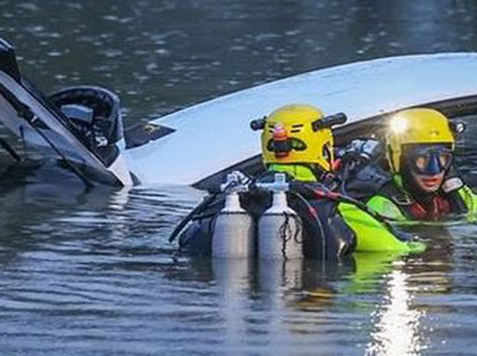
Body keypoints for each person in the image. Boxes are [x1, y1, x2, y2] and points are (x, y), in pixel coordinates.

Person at [174, 103, 420, 260]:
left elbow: (186, 244)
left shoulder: (232, 198)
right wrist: (419, 245)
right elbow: (393, 249)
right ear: (324, 148)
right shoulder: (335, 206)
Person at [364, 108, 477, 222]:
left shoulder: (454, 195)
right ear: (399, 160)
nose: (434, 172)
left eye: (442, 158)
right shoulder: (382, 206)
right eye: (421, 159)